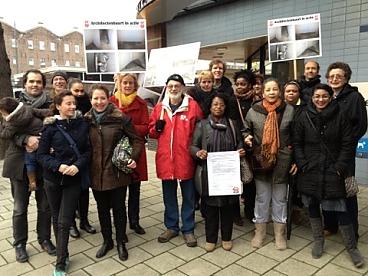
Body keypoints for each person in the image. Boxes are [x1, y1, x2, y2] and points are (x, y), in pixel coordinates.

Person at [292, 83, 364, 268]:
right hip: (310, 169)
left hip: (333, 169)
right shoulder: (304, 115)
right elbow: (297, 142)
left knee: (340, 208)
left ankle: (352, 247)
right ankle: (318, 241)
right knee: (313, 206)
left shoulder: (341, 116)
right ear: (312, 98)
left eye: (325, 96)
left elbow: (348, 143)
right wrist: (303, 164)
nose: (320, 99)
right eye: (317, 96)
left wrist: (340, 166)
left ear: (331, 97)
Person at [85, 84, 144, 261]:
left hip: (117, 173)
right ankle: (107, 241)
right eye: (95, 98)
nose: (99, 102)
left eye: (102, 98)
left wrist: (133, 157)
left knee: (118, 209)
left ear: (108, 98)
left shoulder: (120, 118)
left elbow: (138, 140)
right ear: (91, 100)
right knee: (102, 210)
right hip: (95, 174)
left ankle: (120, 242)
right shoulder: (86, 120)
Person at [2, 69, 55, 263]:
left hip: (44, 164)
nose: (35, 85)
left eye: (38, 82)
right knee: (19, 208)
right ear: (24, 84)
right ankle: (20, 244)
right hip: (18, 164)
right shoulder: (10, 105)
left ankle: (45, 239)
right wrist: (26, 139)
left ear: (43, 84)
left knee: (45, 206)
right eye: (31, 81)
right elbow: (4, 131)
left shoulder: (50, 105)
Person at [37, 90, 90, 276]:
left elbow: (87, 152)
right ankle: (63, 252)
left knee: (64, 221)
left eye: (74, 103)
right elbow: (41, 155)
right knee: (56, 217)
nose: (73, 107)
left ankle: (60, 263)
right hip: (52, 179)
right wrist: (58, 166)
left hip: (73, 179)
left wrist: (77, 166)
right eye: (68, 103)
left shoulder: (82, 125)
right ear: (58, 106)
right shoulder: (49, 128)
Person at [149, 74, 203, 247]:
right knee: (169, 196)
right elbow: (151, 133)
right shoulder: (159, 108)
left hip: (186, 159)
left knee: (189, 196)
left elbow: (200, 131)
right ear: (167, 87)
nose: (174, 88)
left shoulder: (192, 107)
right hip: (166, 159)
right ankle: (171, 226)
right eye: (171, 85)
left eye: (177, 85)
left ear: (183, 87)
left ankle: (188, 229)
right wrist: (155, 129)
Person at [243, 78, 296, 250]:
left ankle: (279, 234)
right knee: (262, 197)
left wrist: (295, 159)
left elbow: (297, 136)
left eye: (275, 89)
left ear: (279, 91)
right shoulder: (254, 110)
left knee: (280, 198)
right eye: (268, 89)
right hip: (261, 160)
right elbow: (245, 129)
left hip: (283, 160)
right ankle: (260, 232)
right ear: (263, 92)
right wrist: (247, 137)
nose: (272, 92)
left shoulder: (290, 110)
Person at [191, 93, 245, 252]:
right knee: (211, 209)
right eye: (215, 104)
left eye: (221, 104)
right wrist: (198, 152)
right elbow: (192, 146)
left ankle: (227, 238)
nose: (218, 107)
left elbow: (240, 143)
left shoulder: (232, 124)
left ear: (226, 106)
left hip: (229, 175)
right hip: (209, 174)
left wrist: (241, 150)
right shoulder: (202, 124)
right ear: (210, 107)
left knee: (228, 208)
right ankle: (211, 238)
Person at [324, 62, 367, 239]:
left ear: (346, 78)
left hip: (345, 154)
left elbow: (361, 126)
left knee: (347, 191)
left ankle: (351, 231)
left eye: (338, 76)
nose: (334, 79)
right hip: (326, 152)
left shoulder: (354, 97)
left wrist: (346, 145)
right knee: (327, 189)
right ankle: (331, 225)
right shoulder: (325, 96)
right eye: (331, 76)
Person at [110, 73, 149, 235]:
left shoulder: (141, 104)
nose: (127, 85)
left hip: (135, 151)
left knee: (135, 190)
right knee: (119, 191)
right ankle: (120, 225)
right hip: (116, 151)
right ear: (119, 84)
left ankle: (134, 221)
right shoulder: (112, 102)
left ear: (135, 85)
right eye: (124, 82)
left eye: (130, 83)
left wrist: (128, 127)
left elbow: (146, 126)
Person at [0, 97, 52, 192]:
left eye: (3, 113)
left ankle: (32, 182)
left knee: (30, 162)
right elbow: (42, 112)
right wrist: (49, 116)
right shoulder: (27, 108)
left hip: (33, 147)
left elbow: (5, 135)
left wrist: (3, 124)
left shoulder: (13, 123)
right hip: (42, 136)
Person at [67, 78, 96, 238]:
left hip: (84, 156)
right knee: (71, 193)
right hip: (68, 158)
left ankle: (84, 221)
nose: (79, 94)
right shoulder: (63, 108)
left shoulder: (88, 108)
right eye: (75, 91)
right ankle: (71, 224)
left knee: (84, 191)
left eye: (81, 91)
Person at [228, 69, 257, 225]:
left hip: (252, 145)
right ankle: (234, 214)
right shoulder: (232, 101)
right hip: (235, 145)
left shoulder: (256, 100)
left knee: (250, 182)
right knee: (234, 180)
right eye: (237, 84)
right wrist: (239, 142)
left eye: (243, 84)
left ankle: (249, 210)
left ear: (250, 85)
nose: (239, 87)